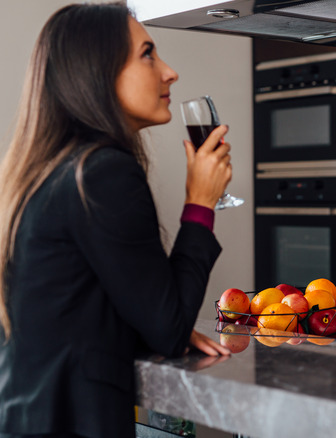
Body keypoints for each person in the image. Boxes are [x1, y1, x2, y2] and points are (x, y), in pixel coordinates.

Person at [0, 3, 233, 437]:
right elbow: (169, 327)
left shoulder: (55, 169)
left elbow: (83, 307)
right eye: (148, 54)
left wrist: (158, 329)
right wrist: (200, 205)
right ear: (98, 72)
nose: (169, 72)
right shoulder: (104, 173)